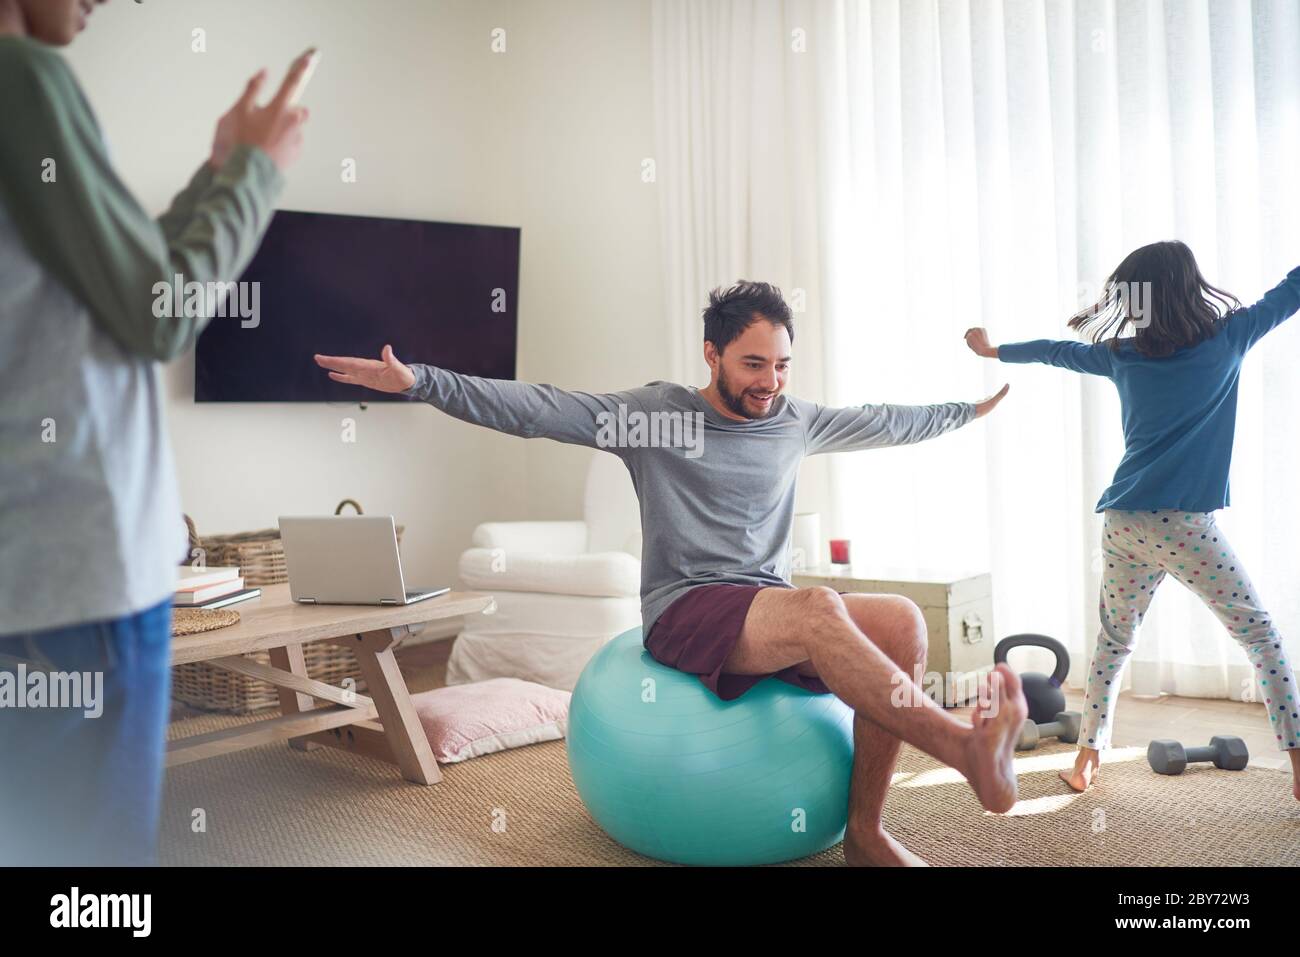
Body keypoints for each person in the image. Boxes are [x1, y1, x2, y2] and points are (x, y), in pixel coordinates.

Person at [315, 279, 1027, 866]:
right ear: (712, 353)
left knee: (899, 618)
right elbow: (539, 408)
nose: (770, 383)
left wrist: (965, 410)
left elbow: (883, 422)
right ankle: (964, 747)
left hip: (765, 606)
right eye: (753, 364)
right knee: (818, 608)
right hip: (688, 610)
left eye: (782, 365)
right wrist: (421, 382)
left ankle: (866, 833)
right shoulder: (657, 417)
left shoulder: (795, 419)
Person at [0, 0, 311, 864]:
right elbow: (157, 312)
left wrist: (216, 176)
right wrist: (255, 173)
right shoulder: (22, 75)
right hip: (81, 577)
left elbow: (114, 284)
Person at [965, 240, 1300, 801]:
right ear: (1191, 290)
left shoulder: (1124, 355)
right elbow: (1289, 293)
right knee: (1261, 637)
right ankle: (1298, 765)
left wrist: (994, 350)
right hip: (1184, 527)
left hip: (1122, 521)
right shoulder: (1229, 337)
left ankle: (1086, 760)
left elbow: (1055, 351)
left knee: (1115, 642)